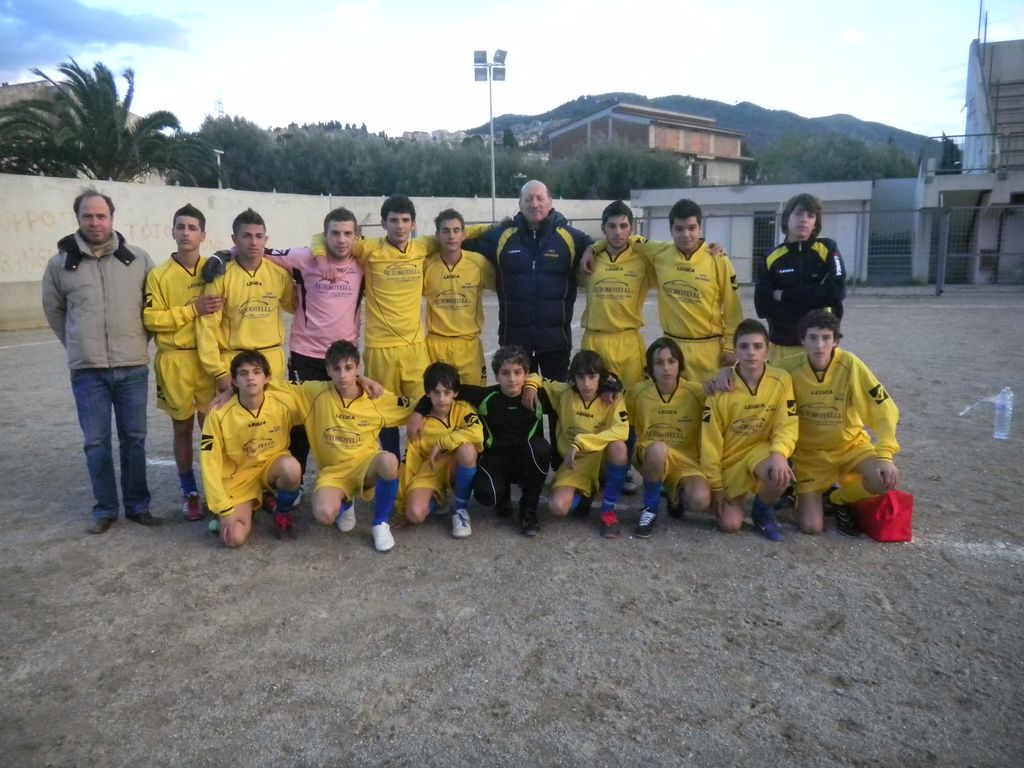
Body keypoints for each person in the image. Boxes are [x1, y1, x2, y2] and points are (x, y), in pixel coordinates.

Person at [310, 195, 489, 458]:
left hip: (415, 347)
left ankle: (418, 461)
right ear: (383, 224)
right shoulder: (369, 248)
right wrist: (322, 261)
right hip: (380, 347)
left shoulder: (422, 246)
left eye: (405, 220)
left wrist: (495, 226)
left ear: (413, 224)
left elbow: (458, 233)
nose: (400, 226)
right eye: (394, 220)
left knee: (426, 405)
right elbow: (320, 237)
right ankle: (393, 463)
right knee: (386, 410)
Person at [204, 207, 365, 478]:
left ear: (356, 237)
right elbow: (259, 250)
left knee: (343, 419)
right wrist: (220, 255)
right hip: (306, 354)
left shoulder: (364, 260)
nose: (341, 239)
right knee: (298, 419)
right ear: (324, 235)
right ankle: (295, 481)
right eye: (334, 233)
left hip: (343, 357)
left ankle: (344, 481)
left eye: (348, 233)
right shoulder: (302, 257)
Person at [42, 190, 159, 534]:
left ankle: (138, 506)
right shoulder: (60, 264)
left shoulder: (137, 259)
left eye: (101, 216)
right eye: (88, 216)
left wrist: (137, 340)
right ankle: (105, 509)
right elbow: (54, 310)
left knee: (134, 439)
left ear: (112, 218)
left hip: (132, 366)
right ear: (78, 219)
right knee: (95, 443)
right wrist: (78, 344)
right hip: (88, 372)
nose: (95, 222)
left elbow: (152, 307)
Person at [584, 199, 741, 385]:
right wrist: (592, 248)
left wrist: (730, 346)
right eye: (679, 229)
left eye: (692, 228)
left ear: (700, 228)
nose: (686, 234)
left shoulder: (718, 259)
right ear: (671, 230)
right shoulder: (659, 252)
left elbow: (733, 308)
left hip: (708, 349)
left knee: (709, 401)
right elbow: (626, 238)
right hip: (672, 348)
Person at [777, 310, 901, 536]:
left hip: (850, 447)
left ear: (836, 340)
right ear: (802, 340)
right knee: (811, 527)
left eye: (826, 338)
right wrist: (727, 373)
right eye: (813, 338)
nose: (819, 345)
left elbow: (885, 408)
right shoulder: (787, 368)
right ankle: (803, 492)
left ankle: (838, 498)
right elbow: (753, 375)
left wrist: (885, 455)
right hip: (810, 456)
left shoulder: (850, 364)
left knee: (883, 479)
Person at [407, 345, 551, 537]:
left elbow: (567, 388)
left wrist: (533, 383)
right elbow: (445, 389)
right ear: (496, 376)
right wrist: (418, 412)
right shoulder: (486, 396)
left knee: (541, 448)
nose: (512, 379)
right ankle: (502, 496)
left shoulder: (539, 396)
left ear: (526, 374)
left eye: (518, 372)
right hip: (496, 461)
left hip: (526, 460)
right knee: (486, 494)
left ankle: (528, 509)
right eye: (505, 373)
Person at [463, 179, 593, 381]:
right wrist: (488, 227)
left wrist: (592, 249)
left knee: (555, 398)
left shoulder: (571, 238)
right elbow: (460, 241)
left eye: (540, 198)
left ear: (550, 202)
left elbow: (601, 245)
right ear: (520, 204)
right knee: (518, 399)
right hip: (515, 344)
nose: (534, 204)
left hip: (555, 344)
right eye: (528, 199)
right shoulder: (502, 236)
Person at [292, 341, 414, 553]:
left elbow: (416, 405)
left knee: (389, 461)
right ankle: (346, 502)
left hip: (365, 467)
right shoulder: (314, 392)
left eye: (348, 368)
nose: (342, 375)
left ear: (358, 368)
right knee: (324, 514)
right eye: (336, 368)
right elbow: (275, 388)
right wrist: (233, 389)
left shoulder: (376, 397)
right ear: (328, 370)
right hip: (334, 473)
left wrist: (421, 414)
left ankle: (380, 523)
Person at [143, 204, 221, 521]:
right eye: (181, 226)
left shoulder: (213, 269)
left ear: (203, 234)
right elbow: (151, 319)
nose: (186, 232)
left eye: (192, 227)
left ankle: (216, 490)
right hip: (174, 360)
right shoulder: (158, 275)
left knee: (212, 428)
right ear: (172, 231)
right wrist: (192, 310)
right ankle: (189, 492)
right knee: (182, 428)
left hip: (208, 359)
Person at [579, 199, 654, 493]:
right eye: (612, 226)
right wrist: (592, 248)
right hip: (595, 339)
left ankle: (623, 469)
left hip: (628, 341)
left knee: (627, 409)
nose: (618, 232)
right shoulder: (591, 259)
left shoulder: (643, 260)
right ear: (603, 228)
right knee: (596, 404)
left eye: (624, 226)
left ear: (631, 228)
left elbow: (670, 253)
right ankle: (596, 466)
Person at [700, 319, 798, 541]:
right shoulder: (720, 388)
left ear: (767, 350)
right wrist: (716, 485)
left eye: (757, 346)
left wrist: (780, 453)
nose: (751, 352)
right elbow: (710, 442)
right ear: (735, 351)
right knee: (730, 525)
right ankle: (733, 499)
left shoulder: (781, 379)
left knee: (779, 473)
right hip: (730, 461)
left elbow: (787, 423)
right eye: (744, 347)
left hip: (760, 452)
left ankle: (762, 513)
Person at [199, 351, 303, 547]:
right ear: (234, 382)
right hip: (238, 479)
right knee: (233, 538)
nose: (250, 378)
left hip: (270, 467)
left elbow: (321, 395)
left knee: (291, 468)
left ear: (267, 378)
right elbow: (209, 463)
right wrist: (222, 508)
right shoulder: (218, 414)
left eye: (256, 372)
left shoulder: (284, 402)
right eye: (243, 373)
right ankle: (252, 503)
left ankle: (282, 512)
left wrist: (360, 381)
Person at [197, 209, 295, 392]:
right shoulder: (221, 276)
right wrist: (218, 371)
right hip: (235, 361)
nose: (253, 242)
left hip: (272, 360)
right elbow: (207, 328)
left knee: (275, 410)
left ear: (266, 239)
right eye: (246, 236)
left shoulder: (280, 274)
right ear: (234, 239)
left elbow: (297, 307)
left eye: (259, 236)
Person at [538, 350, 630, 539]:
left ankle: (608, 510)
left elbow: (622, 430)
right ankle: (584, 498)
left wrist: (581, 442)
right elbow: (535, 378)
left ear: (601, 377)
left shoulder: (613, 398)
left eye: (592, 377)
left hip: (601, 459)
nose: (586, 383)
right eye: (581, 377)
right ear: (573, 377)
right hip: (575, 464)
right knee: (557, 507)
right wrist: (531, 386)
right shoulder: (564, 392)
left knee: (619, 447)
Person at [628, 337, 710, 538]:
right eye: (659, 363)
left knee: (700, 500)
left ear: (680, 364)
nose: (666, 368)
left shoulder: (697, 392)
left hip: (685, 461)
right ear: (650, 368)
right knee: (658, 449)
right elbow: (624, 427)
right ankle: (650, 508)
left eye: (671, 361)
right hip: (650, 454)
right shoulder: (638, 392)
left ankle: (675, 495)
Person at [754, 193, 847, 363]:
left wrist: (784, 295)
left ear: (815, 223)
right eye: (798, 213)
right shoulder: (770, 257)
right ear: (787, 218)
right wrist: (816, 297)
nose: (804, 220)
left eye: (810, 216)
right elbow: (763, 306)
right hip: (783, 345)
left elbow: (837, 292)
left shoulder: (828, 248)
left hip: (821, 347)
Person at [400, 363, 483, 538]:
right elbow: (410, 460)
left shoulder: (462, 409)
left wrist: (442, 442)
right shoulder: (420, 421)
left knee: (467, 450)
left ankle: (460, 509)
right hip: (429, 467)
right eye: (436, 393)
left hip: (454, 464)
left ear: (455, 393)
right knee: (414, 514)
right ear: (427, 393)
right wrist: (401, 503)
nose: (442, 399)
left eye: (447, 392)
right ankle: (436, 500)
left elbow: (477, 433)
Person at [422, 209, 495, 386]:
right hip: (435, 344)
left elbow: (504, 289)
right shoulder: (426, 265)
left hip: (468, 344)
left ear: (463, 234)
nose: (451, 236)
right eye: (445, 231)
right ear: (437, 235)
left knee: (472, 396)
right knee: (437, 397)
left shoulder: (479, 263)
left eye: (456, 230)